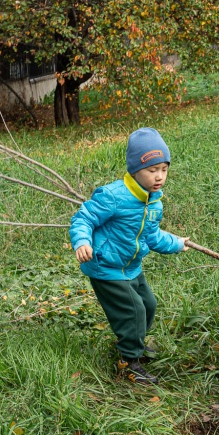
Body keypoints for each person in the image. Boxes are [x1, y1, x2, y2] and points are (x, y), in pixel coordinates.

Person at [69, 127, 188, 384]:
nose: (159, 177)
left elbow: (152, 236)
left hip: (131, 266)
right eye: (152, 170)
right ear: (135, 170)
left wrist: (177, 243)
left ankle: (133, 343)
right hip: (106, 267)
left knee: (148, 306)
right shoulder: (113, 196)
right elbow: (83, 218)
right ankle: (128, 362)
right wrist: (82, 242)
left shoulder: (153, 201)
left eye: (164, 170)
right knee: (133, 311)